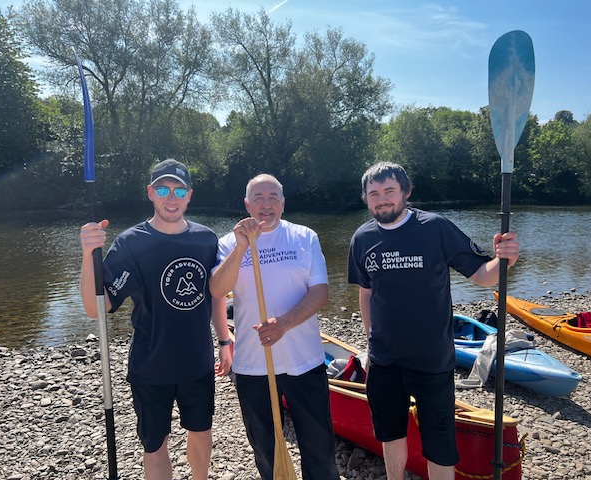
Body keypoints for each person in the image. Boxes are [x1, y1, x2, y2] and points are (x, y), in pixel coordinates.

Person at [347, 162, 520, 480]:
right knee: (389, 432)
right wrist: (370, 343)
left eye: (389, 191)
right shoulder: (361, 238)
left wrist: (505, 258)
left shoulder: (436, 228)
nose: (382, 199)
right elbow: (366, 293)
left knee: (440, 443)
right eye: (374, 193)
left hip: (433, 360)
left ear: (406, 193)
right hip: (385, 360)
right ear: (366, 198)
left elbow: (482, 276)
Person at [79, 158, 232, 480]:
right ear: (150, 193)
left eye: (179, 190)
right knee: (154, 444)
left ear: (190, 195)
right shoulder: (131, 243)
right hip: (151, 364)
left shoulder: (205, 240)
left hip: (197, 361)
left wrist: (224, 340)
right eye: (163, 189)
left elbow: (216, 293)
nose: (171, 197)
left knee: (201, 431)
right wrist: (86, 253)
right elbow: (97, 307)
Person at [209, 174, 339, 480]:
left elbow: (320, 293)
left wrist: (284, 324)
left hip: (305, 363)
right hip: (254, 367)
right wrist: (242, 247)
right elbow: (217, 289)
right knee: (266, 452)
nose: (265, 204)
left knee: (320, 452)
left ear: (282, 203)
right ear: (246, 203)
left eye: (272, 197)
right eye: (258, 197)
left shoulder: (304, 237)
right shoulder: (228, 242)